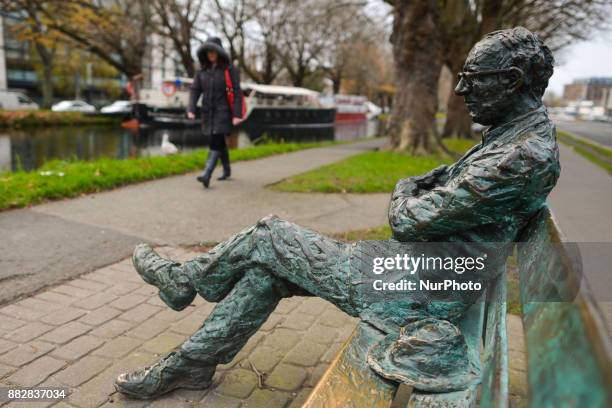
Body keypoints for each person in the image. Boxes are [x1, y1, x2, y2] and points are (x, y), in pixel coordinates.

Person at [115, 27, 559, 399]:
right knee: (267, 270)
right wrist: (419, 193)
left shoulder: (521, 156)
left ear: (513, 79)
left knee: (269, 235)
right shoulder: (513, 139)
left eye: (472, 79)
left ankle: (185, 282)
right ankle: (189, 363)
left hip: (420, 291)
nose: (461, 90)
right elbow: (437, 196)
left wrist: (404, 189)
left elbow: (407, 220)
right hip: (419, 274)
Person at [187, 37, 242, 188]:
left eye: (213, 51)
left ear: (219, 52)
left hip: (224, 111)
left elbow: (236, 92)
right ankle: (227, 169)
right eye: (208, 51)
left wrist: (237, 114)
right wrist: (191, 109)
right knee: (218, 140)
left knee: (215, 140)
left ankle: (207, 174)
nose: (211, 54)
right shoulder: (201, 71)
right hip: (208, 112)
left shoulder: (229, 70)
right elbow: (195, 90)